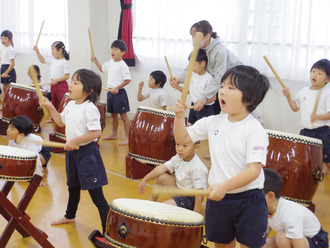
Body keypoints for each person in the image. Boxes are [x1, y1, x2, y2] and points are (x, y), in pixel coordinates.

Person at [173, 65, 270, 248]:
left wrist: (225, 185)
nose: (222, 92)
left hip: (248, 200)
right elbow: (183, 138)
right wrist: (179, 117)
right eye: (222, 86)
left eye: (231, 88)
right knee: (221, 245)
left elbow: (254, 170)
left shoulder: (254, 129)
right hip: (219, 199)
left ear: (250, 99)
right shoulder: (213, 122)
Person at [40, 68, 109, 234]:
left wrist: (74, 140)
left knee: (96, 195)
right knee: (73, 187)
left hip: (88, 155)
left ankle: (108, 230)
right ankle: (70, 215)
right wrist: (50, 107)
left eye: (75, 83)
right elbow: (60, 122)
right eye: (71, 81)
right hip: (73, 154)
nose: (70, 85)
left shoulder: (90, 108)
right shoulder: (70, 104)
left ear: (89, 90)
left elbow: (96, 132)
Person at [170, 20, 242, 115]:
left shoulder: (219, 51)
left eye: (195, 36)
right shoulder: (200, 47)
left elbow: (218, 78)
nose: (193, 40)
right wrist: (179, 79)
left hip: (236, 81)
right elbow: (190, 67)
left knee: (236, 112)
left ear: (207, 37)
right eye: (192, 36)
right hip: (219, 83)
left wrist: (203, 98)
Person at [282, 59, 330, 174]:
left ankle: (327, 168)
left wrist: (318, 117)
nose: (315, 75)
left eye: (319, 73)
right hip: (305, 132)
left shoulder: (327, 93)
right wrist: (288, 97)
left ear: (327, 79)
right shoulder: (304, 91)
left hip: (321, 132)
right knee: (304, 157)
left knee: (327, 157)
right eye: (313, 71)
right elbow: (295, 108)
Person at [263, 168, 329, 248]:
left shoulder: (289, 213)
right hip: (295, 237)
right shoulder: (266, 209)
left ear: (270, 196)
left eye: (255, 194)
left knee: (281, 238)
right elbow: (261, 239)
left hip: (316, 241)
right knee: (264, 244)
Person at [138, 141, 208, 213]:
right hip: (179, 191)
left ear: (196, 147)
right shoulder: (178, 157)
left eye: (185, 146)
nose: (179, 149)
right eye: (177, 144)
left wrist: (196, 211)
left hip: (189, 199)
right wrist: (145, 179)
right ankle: (151, 201)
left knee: (161, 208)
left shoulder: (197, 167)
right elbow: (161, 168)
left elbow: (199, 191)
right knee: (161, 177)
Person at [92, 39, 131, 146]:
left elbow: (128, 80)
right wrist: (96, 62)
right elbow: (101, 69)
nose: (112, 51)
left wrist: (117, 87)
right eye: (112, 49)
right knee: (113, 115)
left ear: (123, 52)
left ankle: (127, 137)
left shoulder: (123, 65)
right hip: (110, 92)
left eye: (116, 49)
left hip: (120, 93)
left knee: (123, 116)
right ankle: (114, 134)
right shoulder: (109, 63)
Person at [173, 49, 216, 124]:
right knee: (192, 126)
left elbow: (214, 97)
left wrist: (202, 102)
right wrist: (176, 86)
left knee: (204, 130)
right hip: (194, 105)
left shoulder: (209, 78)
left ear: (203, 64)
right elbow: (187, 91)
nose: (191, 68)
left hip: (206, 108)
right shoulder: (192, 75)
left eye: (193, 65)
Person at [6, 115, 48, 187]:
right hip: (27, 150)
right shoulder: (12, 139)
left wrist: (38, 179)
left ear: (21, 135)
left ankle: (44, 165)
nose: (7, 130)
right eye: (8, 127)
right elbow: (10, 154)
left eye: (11, 129)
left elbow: (36, 160)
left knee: (33, 160)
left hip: (43, 149)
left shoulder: (29, 144)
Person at [33, 41, 70, 122]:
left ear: (60, 50)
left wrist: (56, 80)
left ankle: (64, 119)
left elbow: (67, 76)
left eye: (53, 50)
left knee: (61, 102)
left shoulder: (65, 62)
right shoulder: (53, 60)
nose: (51, 52)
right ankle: (55, 118)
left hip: (61, 85)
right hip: (54, 84)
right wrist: (37, 51)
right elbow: (42, 60)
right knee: (54, 101)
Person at [0, 30, 16, 100]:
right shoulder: (3, 48)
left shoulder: (11, 49)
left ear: (10, 40)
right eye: (2, 38)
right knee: (4, 89)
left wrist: (6, 72)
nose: (3, 40)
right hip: (3, 68)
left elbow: (12, 64)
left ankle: (9, 107)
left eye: (5, 38)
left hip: (8, 69)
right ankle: (5, 105)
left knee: (8, 90)